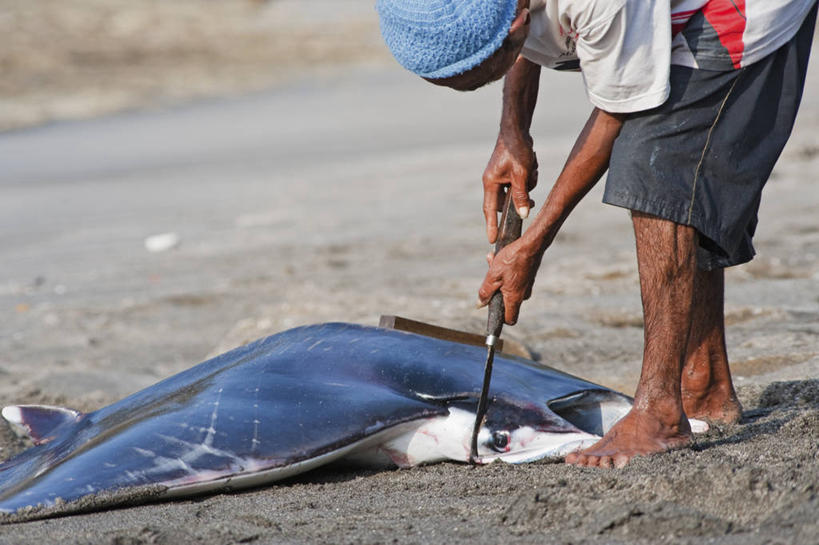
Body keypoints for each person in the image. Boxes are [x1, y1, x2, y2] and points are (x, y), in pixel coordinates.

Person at [375, 0, 818, 468]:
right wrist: (512, 132)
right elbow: (528, 41)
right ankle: (703, 383)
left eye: (478, 76)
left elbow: (616, 110)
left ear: (517, 23)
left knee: (658, 165)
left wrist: (534, 242)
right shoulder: (508, 13)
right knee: (673, 161)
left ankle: (662, 414)